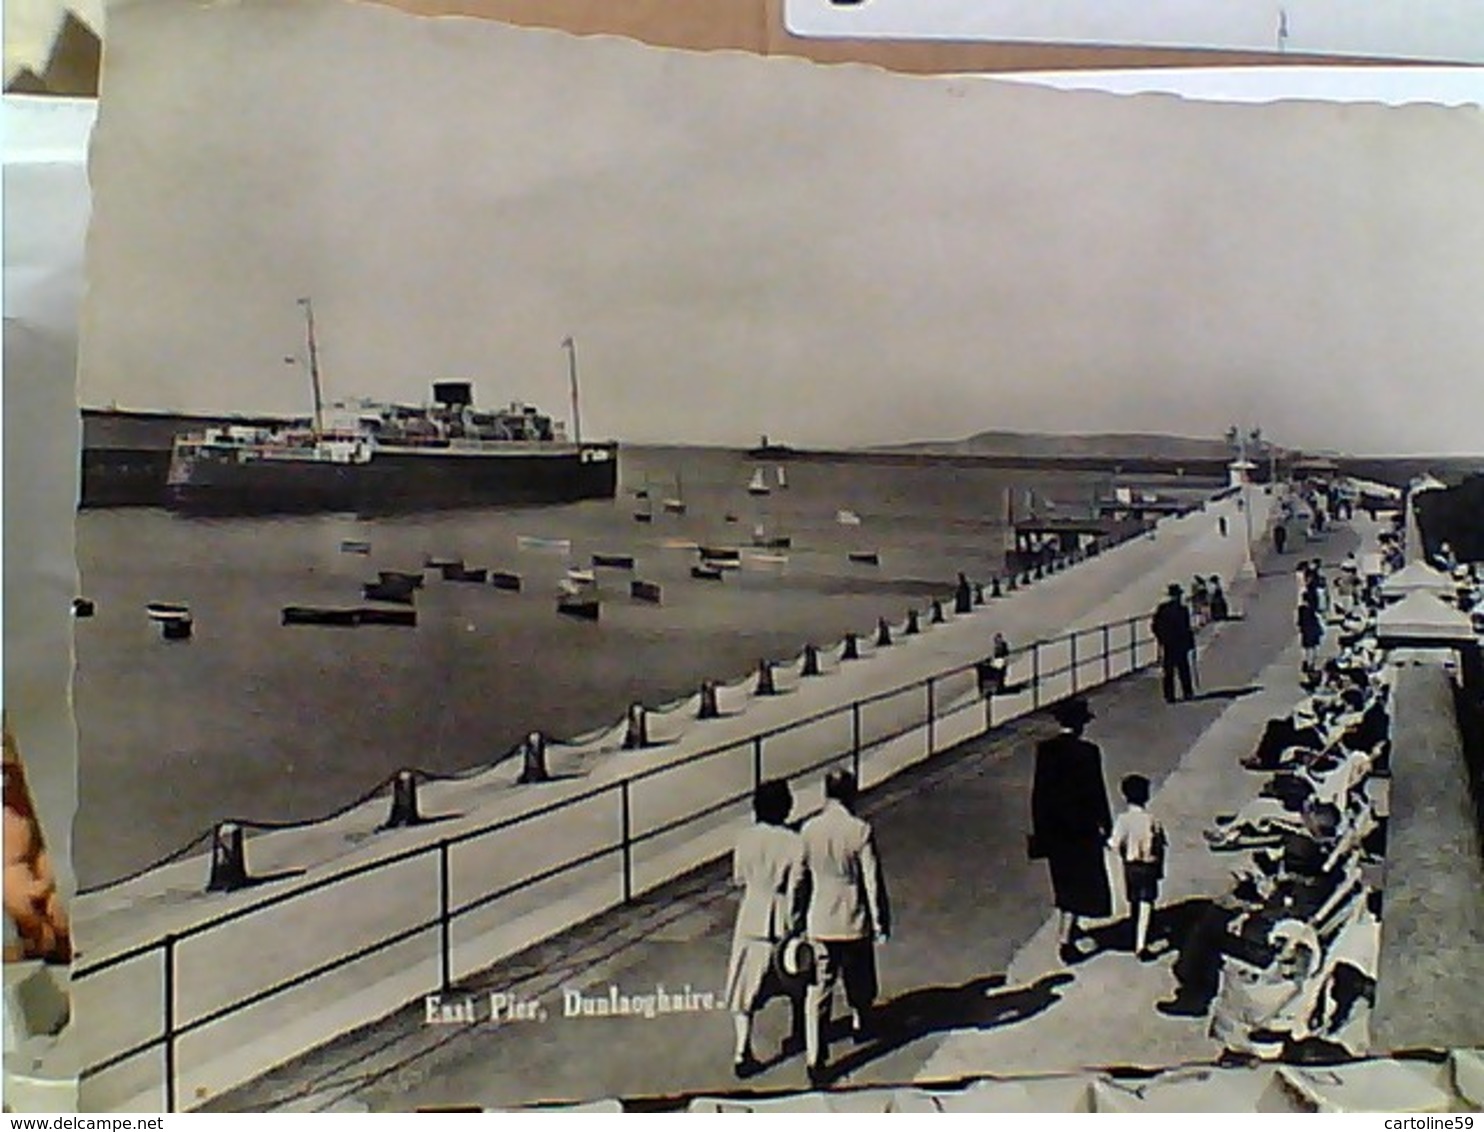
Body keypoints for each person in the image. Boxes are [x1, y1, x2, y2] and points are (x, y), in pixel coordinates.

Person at [801, 769, 890, 1085]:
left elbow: (801, 880)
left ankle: (815, 1056)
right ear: (851, 793)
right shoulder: (860, 830)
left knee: (819, 989)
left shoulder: (809, 830)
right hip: (853, 916)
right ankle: (859, 1019)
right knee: (859, 975)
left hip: (820, 917)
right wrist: (880, 920)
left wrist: (797, 918)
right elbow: (872, 878)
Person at [725, 779, 808, 1078]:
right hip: (780, 916)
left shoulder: (744, 838)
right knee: (795, 978)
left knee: (743, 989)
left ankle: (742, 1050)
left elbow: (738, 878)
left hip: (751, 916)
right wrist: (796, 919)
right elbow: (797, 885)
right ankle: (799, 1033)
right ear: (786, 807)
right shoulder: (795, 842)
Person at [1031, 696, 1113, 965]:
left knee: (1064, 880)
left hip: (1055, 830)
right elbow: (1096, 793)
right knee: (1081, 884)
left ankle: (1071, 927)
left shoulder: (1045, 750)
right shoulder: (1088, 752)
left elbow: (1039, 794)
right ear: (1080, 724)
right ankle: (1065, 939)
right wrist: (1107, 825)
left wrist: (1040, 831)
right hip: (1082, 830)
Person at [1108, 774, 1166, 960]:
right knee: (1147, 902)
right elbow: (1160, 843)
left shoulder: (1123, 819)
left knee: (1134, 900)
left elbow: (1113, 843)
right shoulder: (1151, 819)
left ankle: (1134, 930)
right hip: (1148, 866)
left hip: (1131, 866)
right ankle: (1141, 944)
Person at [1152, 583, 1196, 703]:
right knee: (1180, 669)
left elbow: (1155, 626)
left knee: (1173, 670)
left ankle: (1172, 695)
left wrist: (1161, 638)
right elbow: (1187, 628)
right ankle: (1184, 693)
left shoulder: (1164, 609)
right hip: (1176, 643)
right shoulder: (1181, 609)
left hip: (1171, 644)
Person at [978, 632, 1011, 697]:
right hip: (999, 664)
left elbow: (999, 664)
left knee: (986, 669)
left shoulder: (1002, 652)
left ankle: (989, 688)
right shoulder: (999, 652)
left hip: (999, 666)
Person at [1298, 595, 1324, 675]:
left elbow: (1299, 622)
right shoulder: (1313, 610)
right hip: (1313, 632)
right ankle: (1311, 664)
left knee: (1308, 650)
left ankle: (1309, 664)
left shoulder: (1301, 610)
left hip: (1306, 632)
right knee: (1313, 649)